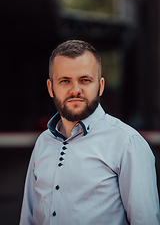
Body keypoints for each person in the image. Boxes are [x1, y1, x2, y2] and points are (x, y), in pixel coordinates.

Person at [20, 40, 160, 225]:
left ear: (101, 86)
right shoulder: (43, 142)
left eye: (85, 80)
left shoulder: (127, 142)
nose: (75, 90)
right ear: (50, 88)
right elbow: (28, 218)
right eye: (64, 81)